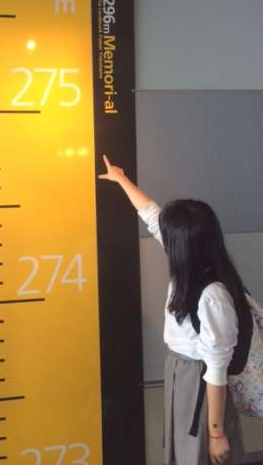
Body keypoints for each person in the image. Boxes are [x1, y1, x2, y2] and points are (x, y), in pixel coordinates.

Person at [99, 155, 251, 465]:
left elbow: (216, 369)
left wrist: (217, 434)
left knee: (200, 454)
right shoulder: (191, 264)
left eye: (168, 234)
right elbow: (150, 213)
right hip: (182, 372)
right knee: (184, 452)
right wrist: (121, 179)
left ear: (180, 244)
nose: (162, 234)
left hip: (199, 381)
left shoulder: (212, 294)